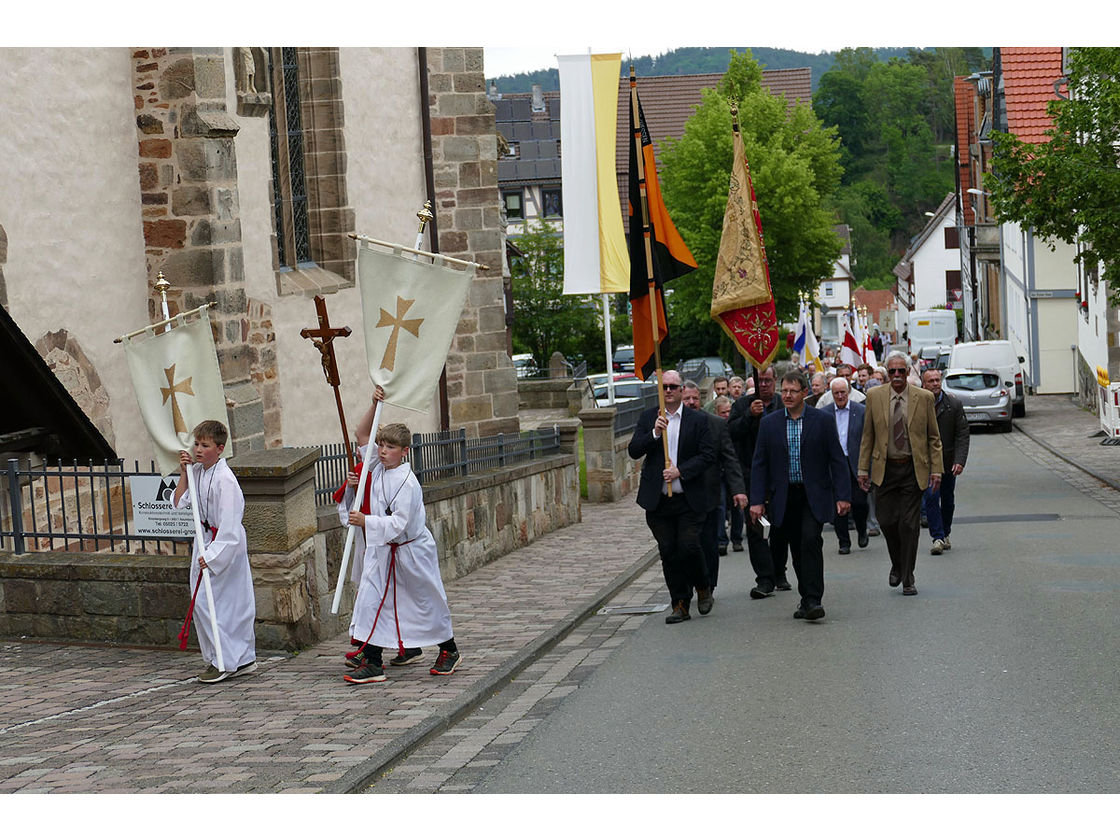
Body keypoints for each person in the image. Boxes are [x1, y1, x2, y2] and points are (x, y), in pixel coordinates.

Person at [344, 413, 460, 684]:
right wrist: (374, 403)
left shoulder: (407, 483)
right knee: (373, 601)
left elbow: (399, 522)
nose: (382, 451)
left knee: (424, 602)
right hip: (384, 550)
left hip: (410, 551)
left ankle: (449, 649)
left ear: (404, 451)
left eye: (390, 447)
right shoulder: (378, 466)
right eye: (381, 445)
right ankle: (372, 661)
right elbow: (362, 434)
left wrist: (366, 521)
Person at [750, 370, 850, 621]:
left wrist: (843, 495)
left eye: (793, 391)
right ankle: (806, 598)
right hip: (783, 497)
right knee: (796, 548)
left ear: (805, 393)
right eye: (783, 390)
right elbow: (759, 464)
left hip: (812, 494)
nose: (787, 395)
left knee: (810, 541)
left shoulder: (822, 421)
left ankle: (814, 598)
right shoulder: (769, 423)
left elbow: (837, 460)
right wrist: (756, 501)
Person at [628, 369, 716, 624]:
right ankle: (679, 603)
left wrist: (681, 471)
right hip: (659, 502)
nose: (668, 391)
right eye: (664, 386)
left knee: (688, 546)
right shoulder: (649, 418)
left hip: (688, 498)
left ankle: (702, 585)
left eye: (673, 387)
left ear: (682, 390)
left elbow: (708, 455)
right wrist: (654, 434)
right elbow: (634, 450)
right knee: (668, 551)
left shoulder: (697, 421)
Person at [173, 420, 256, 684]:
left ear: (219, 449)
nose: (198, 449)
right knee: (203, 602)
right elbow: (179, 503)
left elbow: (230, 526)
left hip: (223, 546)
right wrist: (185, 472)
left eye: (204, 445)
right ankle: (226, 657)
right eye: (196, 444)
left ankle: (228, 659)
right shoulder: (197, 471)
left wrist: (212, 556)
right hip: (205, 539)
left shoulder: (225, 480)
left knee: (226, 605)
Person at [858, 351, 944, 596]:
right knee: (886, 521)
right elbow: (868, 437)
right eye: (892, 371)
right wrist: (863, 469)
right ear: (886, 373)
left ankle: (907, 576)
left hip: (912, 468)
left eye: (901, 371)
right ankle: (897, 563)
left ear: (908, 372)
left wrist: (936, 470)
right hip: (884, 469)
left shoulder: (923, 397)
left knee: (908, 524)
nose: (897, 375)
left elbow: (933, 438)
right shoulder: (874, 396)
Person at [727, 365, 789, 597]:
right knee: (756, 529)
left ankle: (779, 571)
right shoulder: (743, 405)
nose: (764, 385)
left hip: (781, 477)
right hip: (752, 477)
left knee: (781, 528)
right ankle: (764, 578)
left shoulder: (784, 404)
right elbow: (731, 433)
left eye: (768, 381)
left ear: (776, 381)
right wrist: (748, 416)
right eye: (760, 381)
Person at [682, 383, 746, 595]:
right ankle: (687, 585)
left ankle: (708, 585)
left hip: (710, 490)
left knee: (708, 542)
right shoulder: (673, 424)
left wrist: (738, 489)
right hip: (681, 494)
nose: (691, 403)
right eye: (686, 399)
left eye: (695, 399)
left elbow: (730, 458)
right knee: (686, 543)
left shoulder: (716, 424)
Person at [921, 368, 970, 555]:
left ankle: (946, 531)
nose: (935, 383)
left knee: (947, 499)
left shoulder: (953, 404)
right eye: (930, 381)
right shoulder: (917, 403)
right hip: (926, 462)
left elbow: (962, 434)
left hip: (948, 460)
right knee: (931, 497)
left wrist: (960, 460)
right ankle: (937, 537)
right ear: (923, 384)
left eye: (937, 380)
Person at [821, 378, 869, 554]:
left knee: (859, 502)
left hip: (855, 464)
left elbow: (867, 440)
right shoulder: (824, 414)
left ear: (849, 392)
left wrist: (867, 466)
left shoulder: (861, 411)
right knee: (839, 505)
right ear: (831, 394)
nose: (840, 396)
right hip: (834, 465)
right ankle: (844, 542)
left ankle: (862, 529)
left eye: (843, 392)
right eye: (836, 393)